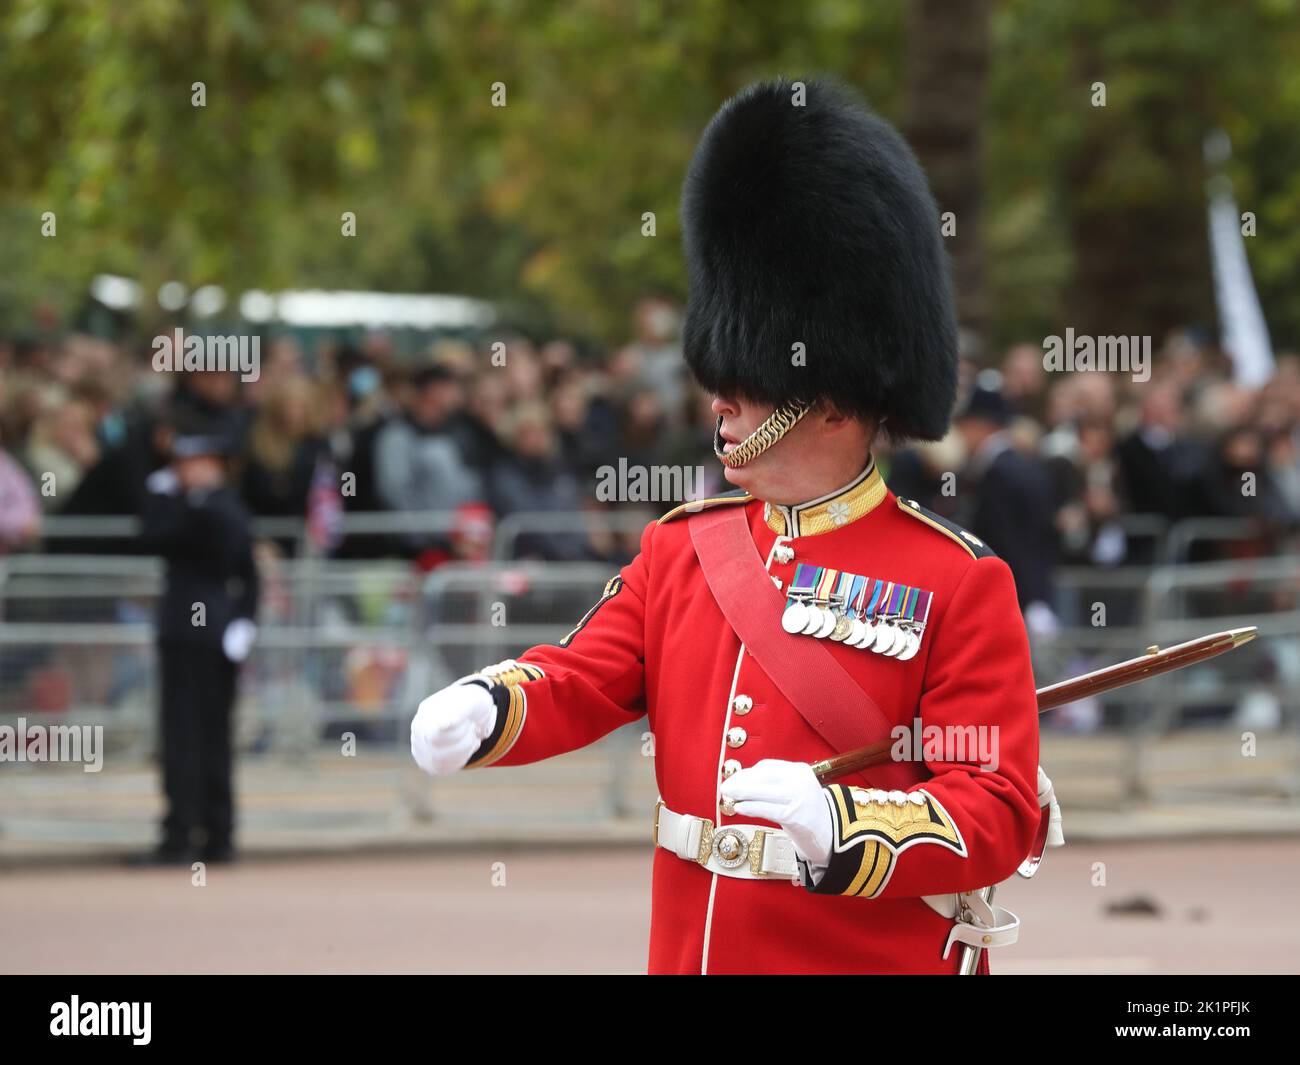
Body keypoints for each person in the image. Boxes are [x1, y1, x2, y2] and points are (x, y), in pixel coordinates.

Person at [410, 78, 1054, 974]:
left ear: (831, 400)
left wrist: (843, 823)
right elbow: (586, 678)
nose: (722, 399)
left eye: (747, 380)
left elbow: (997, 808)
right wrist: (492, 704)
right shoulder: (685, 547)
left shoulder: (955, 579)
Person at [134, 415, 259, 865]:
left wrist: (245, 621)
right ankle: (197, 830)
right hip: (195, 632)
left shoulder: (210, 507)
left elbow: (161, 534)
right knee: (190, 736)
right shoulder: (200, 505)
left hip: (202, 632)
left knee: (197, 736)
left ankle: (199, 833)